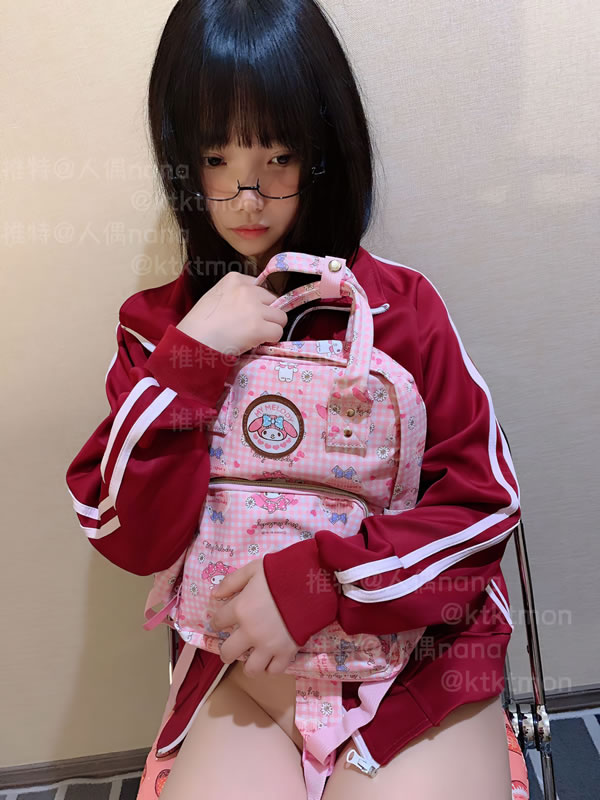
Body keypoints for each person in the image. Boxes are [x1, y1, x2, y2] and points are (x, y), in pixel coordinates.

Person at [65, 1, 528, 799]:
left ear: (324, 152)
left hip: (418, 669)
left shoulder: (404, 311)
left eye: (278, 157)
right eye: (217, 158)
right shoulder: (158, 331)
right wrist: (192, 359)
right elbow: (127, 533)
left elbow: (484, 507)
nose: (248, 198)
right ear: (182, 160)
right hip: (244, 674)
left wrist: (320, 584)